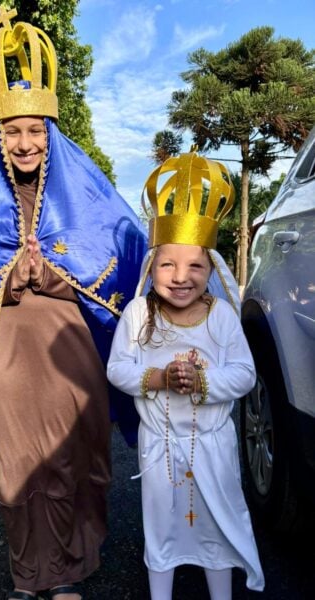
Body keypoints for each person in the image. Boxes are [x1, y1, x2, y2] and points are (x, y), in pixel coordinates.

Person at [0, 6, 149, 600]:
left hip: (69, 349)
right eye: (13, 132)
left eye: (36, 130)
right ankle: (31, 574)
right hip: (8, 350)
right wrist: (5, 274)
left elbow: (126, 243)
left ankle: (70, 571)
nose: (25, 142)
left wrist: (57, 270)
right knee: (19, 468)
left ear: (50, 133)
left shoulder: (83, 189)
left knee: (72, 458)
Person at [107, 151, 265, 600]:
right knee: (163, 529)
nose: (180, 277)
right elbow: (117, 367)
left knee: (215, 530)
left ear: (212, 270)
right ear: (151, 268)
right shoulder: (139, 313)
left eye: (195, 265)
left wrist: (203, 381)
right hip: (161, 451)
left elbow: (245, 374)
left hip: (213, 448)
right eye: (167, 265)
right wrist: (156, 377)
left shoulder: (220, 318)